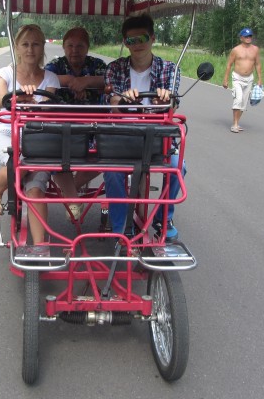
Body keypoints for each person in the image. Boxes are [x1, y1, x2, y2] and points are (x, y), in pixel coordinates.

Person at [103, 13, 185, 241]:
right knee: (111, 172)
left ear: (152, 38)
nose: (137, 45)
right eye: (130, 40)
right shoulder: (115, 69)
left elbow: (173, 106)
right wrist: (123, 100)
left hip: (157, 137)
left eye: (142, 38)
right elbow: (111, 105)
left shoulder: (169, 69)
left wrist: (165, 101)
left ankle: (163, 217)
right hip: (122, 136)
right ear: (124, 43)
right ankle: (122, 229)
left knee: (179, 167)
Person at [0, 24, 60, 246]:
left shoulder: (51, 78)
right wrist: (17, 99)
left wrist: (34, 104)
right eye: (25, 44)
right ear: (17, 47)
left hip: (39, 135)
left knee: (36, 187)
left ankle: (39, 248)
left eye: (35, 44)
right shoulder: (4, 74)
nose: (30, 49)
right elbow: (2, 100)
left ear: (42, 47)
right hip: (10, 132)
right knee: (17, 161)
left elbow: (47, 105)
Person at [45, 27, 106, 219]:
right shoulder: (56, 65)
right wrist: (73, 80)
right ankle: (72, 196)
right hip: (61, 127)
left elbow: (107, 79)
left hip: (93, 126)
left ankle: (71, 186)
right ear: (63, 47)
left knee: (106, 156)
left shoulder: (97, 64)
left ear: (87, 48)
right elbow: (46, 78)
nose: (74, 50)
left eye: (80, 46)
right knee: (50, 153)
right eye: (70, 45)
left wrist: (86, 81)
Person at [222, 27, 263, 133]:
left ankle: (236, 122)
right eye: (246, 36)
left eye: (250, 36)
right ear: (241, 38)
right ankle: (235, 124)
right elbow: (229, 65)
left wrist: (260, 79)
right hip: (237, 78)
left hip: (249, 79)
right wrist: (225, 79)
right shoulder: (236, 50)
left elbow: (257, 64)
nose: (248, 38)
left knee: (244, 103)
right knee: (238, 99)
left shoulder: (255, 49)